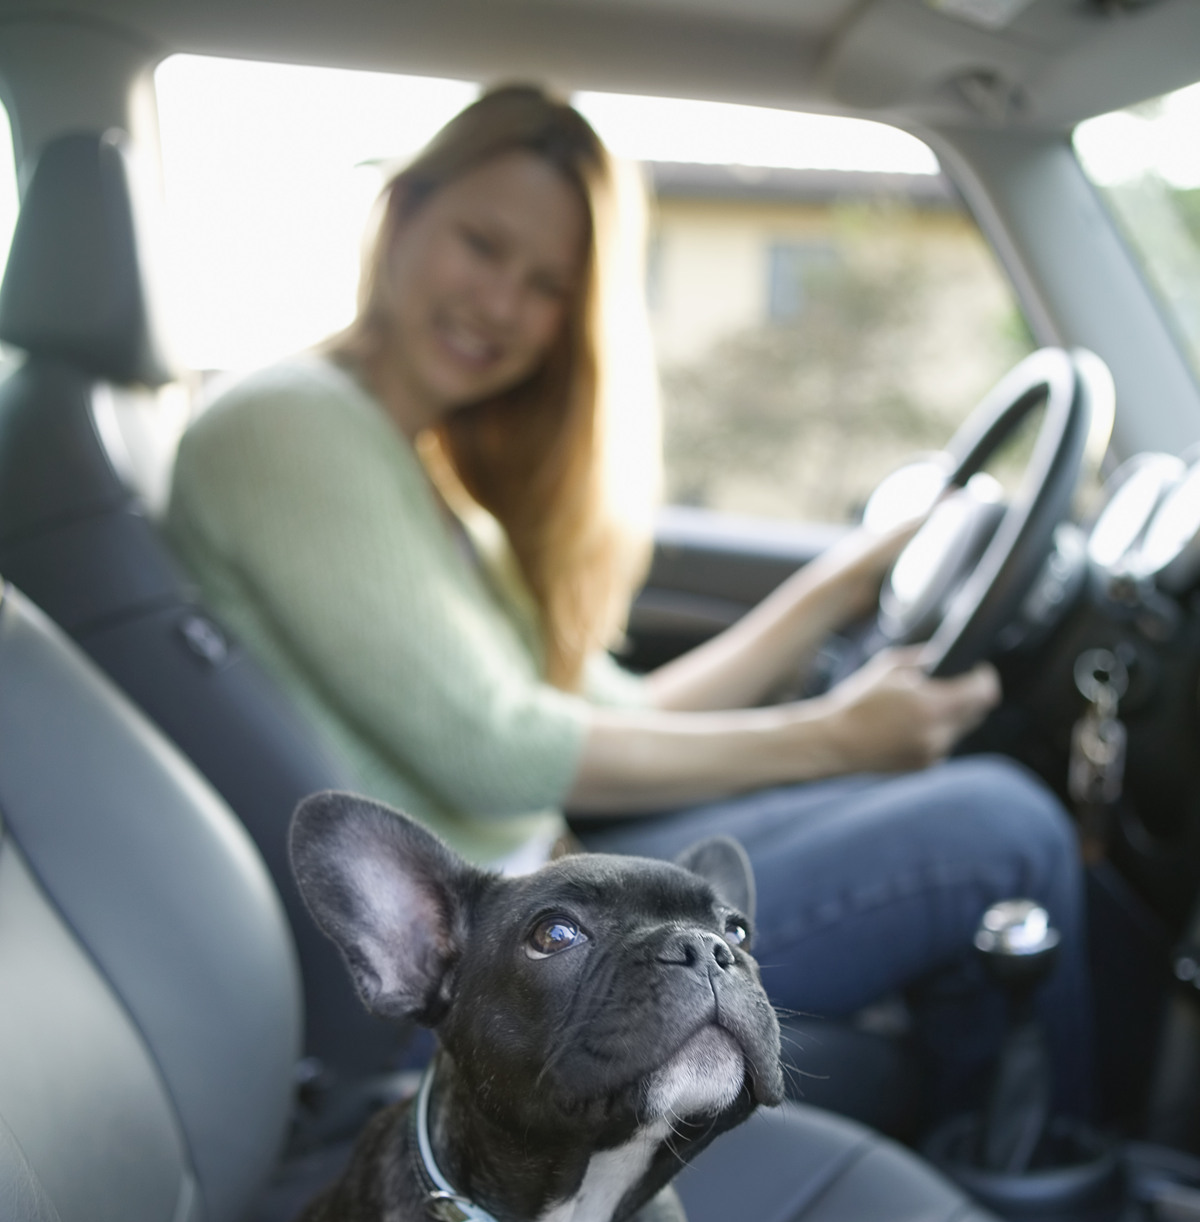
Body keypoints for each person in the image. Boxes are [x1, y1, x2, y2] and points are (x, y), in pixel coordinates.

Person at [166, 83, 1090, 1121]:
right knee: (1005, 826)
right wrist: (835, 739)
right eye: (481, 244)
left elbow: (617, 709)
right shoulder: (288, 425)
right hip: (500, 967)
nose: (501, 305)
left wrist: (845, 582)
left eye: (547, 283)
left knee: (982, 813)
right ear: (403, 210)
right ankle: (1074, 1190)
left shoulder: (427, 476)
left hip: (550, 894)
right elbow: (499, 748)